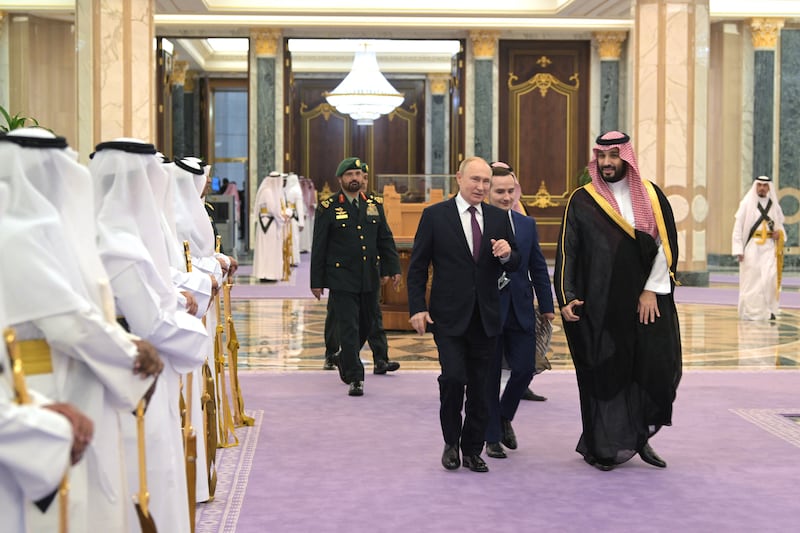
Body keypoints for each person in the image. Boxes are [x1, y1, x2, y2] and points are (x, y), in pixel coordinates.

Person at [1, 128, 163, 532]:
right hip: (45, 387)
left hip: (77, 377)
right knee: (64, 510)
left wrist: (126, 344)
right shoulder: (17, 235)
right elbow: (68, 323)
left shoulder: (50, 234)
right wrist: (131, 356)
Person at [90, 139, 209, 533]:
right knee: (148, 473)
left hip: (138, 370)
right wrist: (198, 339)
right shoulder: (118, 244)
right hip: (136, 378)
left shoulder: (113, 235)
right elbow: (152, 323)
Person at [554, 131, 682, 471]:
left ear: (627, 157)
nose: (608, 162)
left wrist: (651, 290)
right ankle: (603, 445)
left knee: (651, 370)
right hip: (601, 307)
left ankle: (640, 439)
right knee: (605, 374)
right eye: (602, 156)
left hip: (646, 305)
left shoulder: (652, 196)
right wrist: (566, 296)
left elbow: (664, 247)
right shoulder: (583, 199)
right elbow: (568, 250)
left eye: (614, 155)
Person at [407, 156, 520, 473]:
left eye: (486, 182)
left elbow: (514, 260)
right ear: (459, 178)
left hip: (486, 316)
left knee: (483, 388)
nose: (481, 187)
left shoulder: (499, 218)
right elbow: (417, 268)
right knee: (454, 379)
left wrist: (509, 254)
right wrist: (417, 307)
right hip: (449, 317)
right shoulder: (435, 216)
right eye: (476, 180)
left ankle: (472, 450)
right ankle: (451, 442)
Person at [310, 157, 402, 396]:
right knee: (349, 327)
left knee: (368, 322)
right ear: (340, 179)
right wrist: (316, 281)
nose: (355, 178)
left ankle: (344, 356)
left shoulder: (373, 204)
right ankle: (355, 377)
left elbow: (385, 239)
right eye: (349, 174)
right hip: (341, 277)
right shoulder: (328, 207)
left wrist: (393, 269)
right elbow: (319, 245)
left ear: (363, 178)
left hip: (369, 276)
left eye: (358, 175)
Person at [484, 161, 555, 460]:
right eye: (499, 191)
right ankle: (491, 437)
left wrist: (548, 306)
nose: (506, 197)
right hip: (489, 310)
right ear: (487, 191)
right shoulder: (477, 224)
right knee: (488, 376)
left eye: (510, 191)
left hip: (522, 307)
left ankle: (503, 416)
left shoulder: (527, 224)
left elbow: (538, 265)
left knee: (525, 369)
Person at [731, 175, 785, 321]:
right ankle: (751, 312)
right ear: (756, 186)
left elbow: (781, 227)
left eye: (765, 185)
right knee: (752, 281)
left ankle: (769, 309)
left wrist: (778, 234)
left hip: (769, 248)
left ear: (769, 187)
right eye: (759, 185)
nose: (762, 188)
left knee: (770, 278)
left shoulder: (774, 205)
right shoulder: (747, 203)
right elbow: (738, 227)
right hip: (751, 248)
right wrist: (738, 249)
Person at [252, 171, 288, 282]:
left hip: (269, 224)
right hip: (268, 224)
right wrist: (282, 218)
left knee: (269, 249)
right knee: (268, 249)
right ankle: (267, 274)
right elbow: (273, 209)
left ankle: (268, 274)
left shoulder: (270, 191)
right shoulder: (268, 191)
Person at [284, 172, 306, 266]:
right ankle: (293, 260)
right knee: (294, 239)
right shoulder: (297, 190)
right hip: (292, 218)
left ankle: (287, 259)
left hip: (285, 217)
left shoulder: (284, 190)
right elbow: (300, 208)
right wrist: (301, 222)